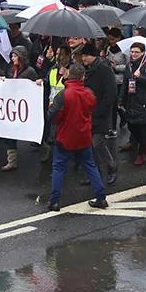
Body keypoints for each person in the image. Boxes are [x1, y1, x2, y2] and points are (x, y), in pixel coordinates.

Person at [46, 64, 109, 211]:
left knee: (59, 167)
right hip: (84, 136)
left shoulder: (64, 95)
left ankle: (54, 201)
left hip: (65, 136)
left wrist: (54, 112)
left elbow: (52, 116)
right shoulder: (89, 93)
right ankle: (101, 197)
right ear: (83, 77)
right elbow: (91, 108)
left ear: (69, 75)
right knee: (90, 166)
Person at [79, 44, 119, 185]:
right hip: (88, 113)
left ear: (93, 56)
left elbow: (111, 93)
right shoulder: (87, 70)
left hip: (100, 114)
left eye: (85, 55)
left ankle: (111, 166)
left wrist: (100, 111)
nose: (83, 58)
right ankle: (94, 173)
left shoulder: (104, 69)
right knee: (89, 145)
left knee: (97, 144)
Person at [0, 45, 38, 172]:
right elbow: (9, 81)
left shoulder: (30, 71)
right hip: (12, 106)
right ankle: (12, 161)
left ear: (21, 57)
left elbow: (34, 87)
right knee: (10, 132)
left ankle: (44, 147)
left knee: (29, 131)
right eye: (12, 55)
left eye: (15, 56)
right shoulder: (11, 68)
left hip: (24, 107)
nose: (12, 58)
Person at [119, 42, 146, 166]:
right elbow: (125, 83)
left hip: (143, 102)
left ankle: (142, 152)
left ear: (142, 53)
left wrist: (141, 77)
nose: (134, 54)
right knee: (131, 125)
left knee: (141, 128)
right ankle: (140, 142)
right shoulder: (129, 66)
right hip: (131, 100)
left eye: (136, 52)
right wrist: (121, 100)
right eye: (132, 51)